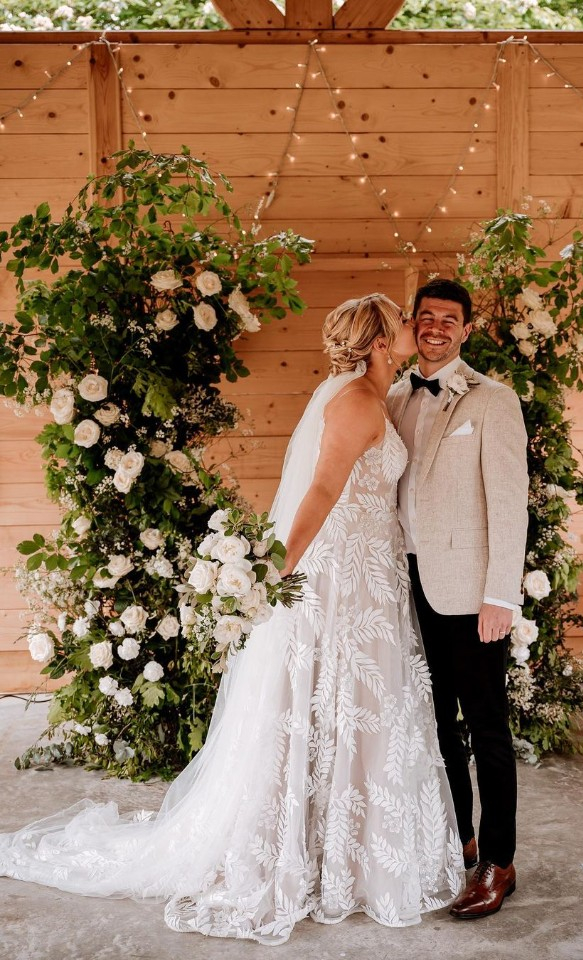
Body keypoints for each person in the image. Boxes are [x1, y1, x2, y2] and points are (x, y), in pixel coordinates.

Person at [1, 293, 463, 946]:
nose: (418, 330)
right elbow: (323, 492)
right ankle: (300, 856)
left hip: (368, 579)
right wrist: (277, 572)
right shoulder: (357, 403)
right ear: (382, 339)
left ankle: (348, 854)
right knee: (323, 705)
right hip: (336, 583)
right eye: (403, 323)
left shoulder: (375, 398)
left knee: (352, 711)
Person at [387, 279, 529, 920]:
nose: (436, 327)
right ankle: (459, 840)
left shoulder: (492, 401)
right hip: (405, 582)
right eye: (426, 317)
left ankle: (500, 862)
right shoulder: (392, 397)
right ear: (413, 326)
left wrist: (501, 593)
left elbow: (510, 506)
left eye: (449, 318)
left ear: (466, 329)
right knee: (437, 726)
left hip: (472, 593)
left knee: (488, 729)